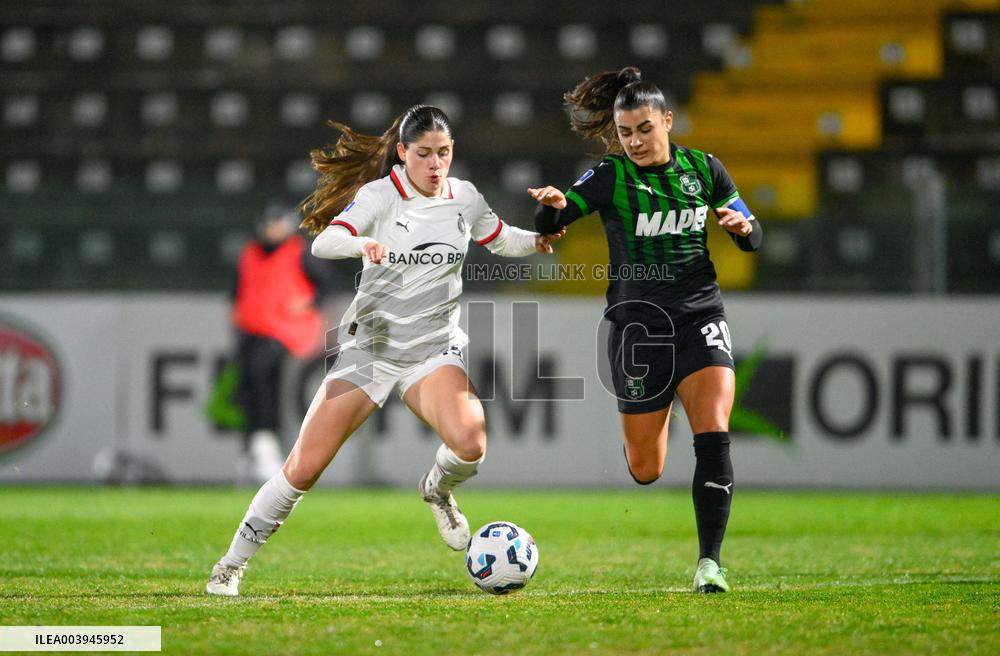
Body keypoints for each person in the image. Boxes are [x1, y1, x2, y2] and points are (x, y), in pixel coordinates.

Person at [206, 104, 564, 596]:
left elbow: (500, 239)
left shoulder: (465, 198)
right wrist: (362, 246)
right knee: (303, 469)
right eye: (424, 154)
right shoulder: (380, 196)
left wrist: (539, 238)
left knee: (471, 441)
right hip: (370, 349)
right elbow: (324, 244)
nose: (435, 164)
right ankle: (230, 564)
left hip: (433, 349)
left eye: (443, 153)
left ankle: (437, 490)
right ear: (402, 153)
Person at [528, 66, 762, 593]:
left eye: (644, 129)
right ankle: (665, 409)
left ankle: (710, 564)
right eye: (625, 131)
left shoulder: (705, 170)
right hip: (637, 328)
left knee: (715, 430)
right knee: (645, 469)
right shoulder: (611, 176)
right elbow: (555, 220)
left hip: (701, 313)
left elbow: (752, 236)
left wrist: (744, 228)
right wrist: (551, 211)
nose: (634, 140)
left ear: (667, 122)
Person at [228, 203, 337, 483]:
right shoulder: (250, 253)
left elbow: (326, 284)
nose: (272, 229)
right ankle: (251, 448)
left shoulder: (299, 251)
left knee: (262, 374)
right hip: (250, 329)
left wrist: (309, 303)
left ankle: (265, 444)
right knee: (248, 385)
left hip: (285, 330)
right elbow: (237, 290)